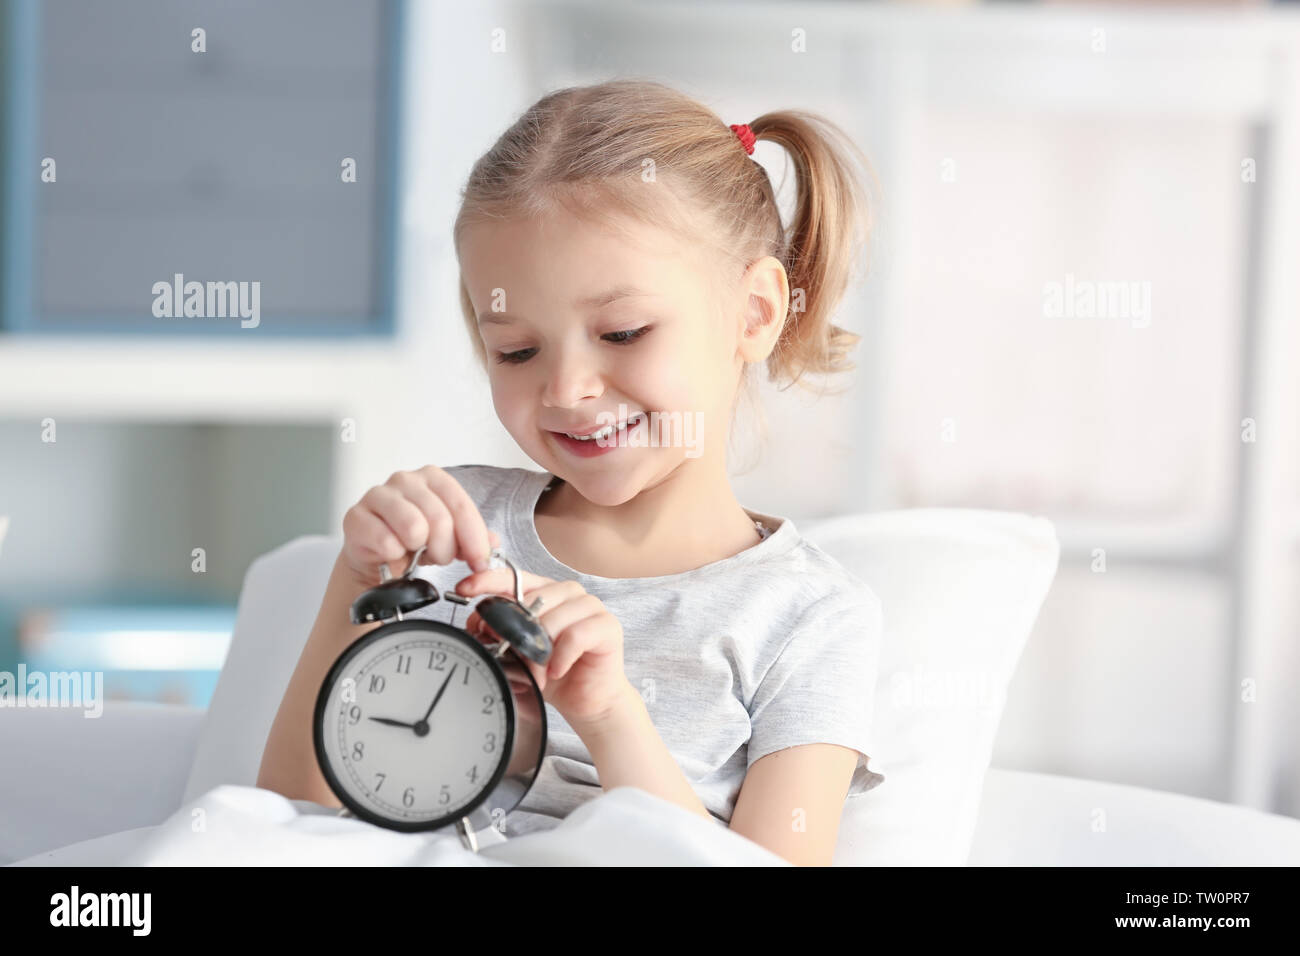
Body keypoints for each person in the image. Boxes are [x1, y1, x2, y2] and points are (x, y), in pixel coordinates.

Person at [259, 78, 884, 866]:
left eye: (622, 332)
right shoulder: (450, 529)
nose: (565, 390)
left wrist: (611, 716)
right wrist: (353, 582)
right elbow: (284, 824)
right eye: (517, 350)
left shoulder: (808, 619)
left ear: (755, 312)